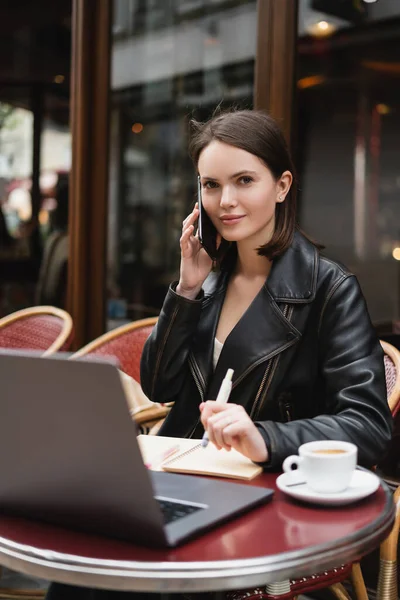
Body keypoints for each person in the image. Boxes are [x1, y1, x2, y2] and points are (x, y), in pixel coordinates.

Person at [45, 109, 392, 600]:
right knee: (80, 566)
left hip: (264, 498)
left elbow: (368, 425)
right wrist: (185, 289)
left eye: (244, 180)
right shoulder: (209, 279)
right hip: (181, 481)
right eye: (211, 185)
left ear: (282, 185)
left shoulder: (328, 289)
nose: (225, 201)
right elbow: (160, 387)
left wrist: (264, 437)